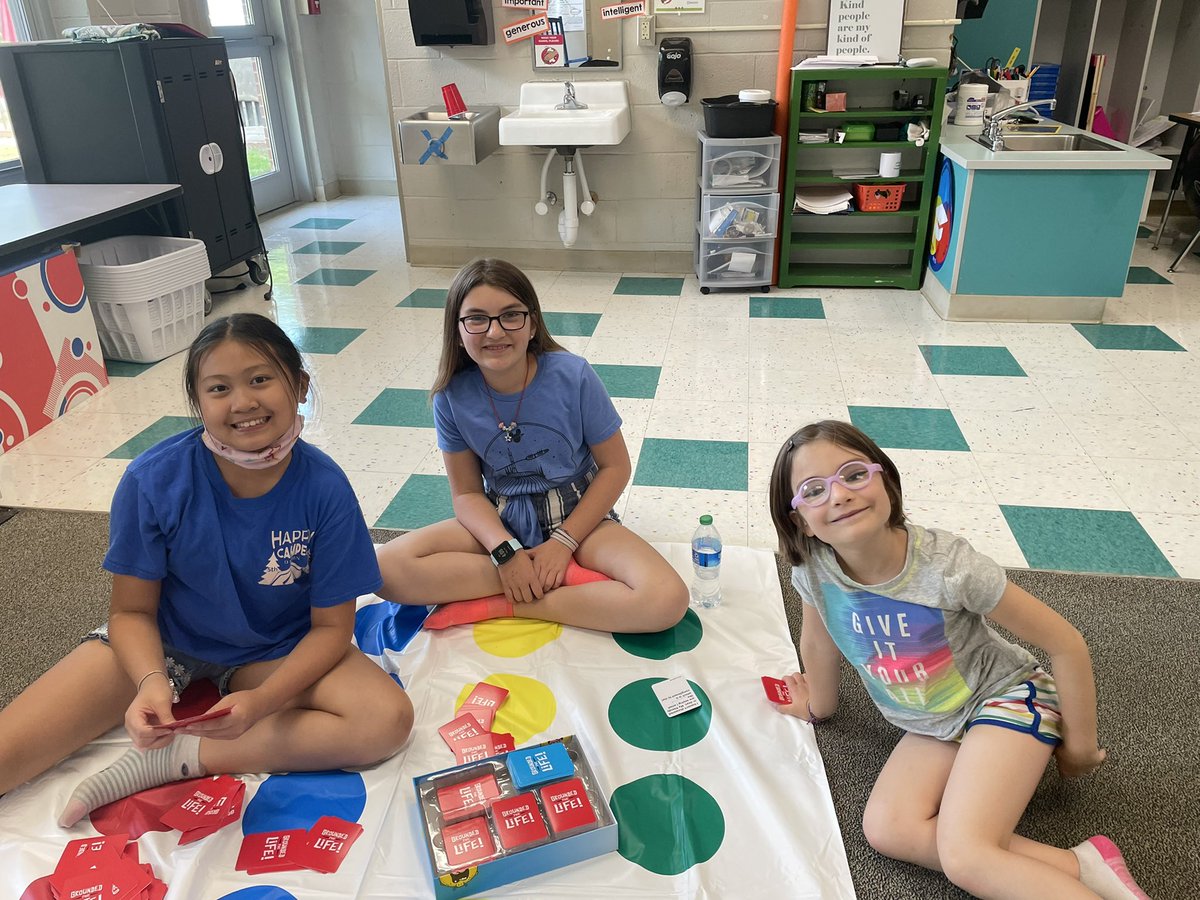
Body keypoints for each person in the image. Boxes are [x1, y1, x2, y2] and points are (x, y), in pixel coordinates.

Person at [0, 313, 412, 826]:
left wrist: (263, 701)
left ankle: (178, 757)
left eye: (260, 379)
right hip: (162, 644)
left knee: (386, 720)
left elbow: (332, 628)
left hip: (271, 649)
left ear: (299, 384)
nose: (242, 402)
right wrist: (151, 681)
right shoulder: (153, 479)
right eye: (219, 388)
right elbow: (130, 611)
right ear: (199, 402)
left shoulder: (325, 489)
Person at [767, 420, 1148, 900]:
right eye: (814, 490)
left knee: (967, 856)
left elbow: (1066, 643)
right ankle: (1083, 865)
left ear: (884, 479)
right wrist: (817, 707)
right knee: (888, 829)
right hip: (934, 719)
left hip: (1006, 697)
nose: (839, 495)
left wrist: (1080, 748)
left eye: (854, 475)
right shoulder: (814, 572)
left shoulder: (949, 565)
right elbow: (819, 643)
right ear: (800, 520)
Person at [377, 258, 688, 633]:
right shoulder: (450, 397)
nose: (494, 332)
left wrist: (563, 543)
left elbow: (616, 468)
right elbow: (467, 496)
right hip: (503, 517)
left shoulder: (573, 376)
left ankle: (507, 605)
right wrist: (507, 555)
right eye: (477, 318)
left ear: (532, 323)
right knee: (383, 570)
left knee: (666, 599)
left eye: (511, 315)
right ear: (457, 331)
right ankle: (539, 581)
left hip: (580, 520)